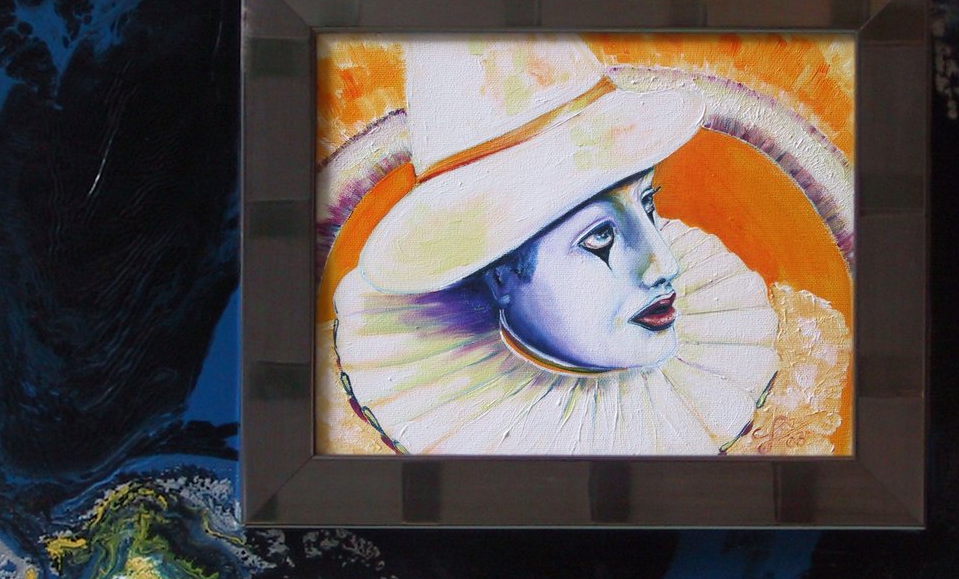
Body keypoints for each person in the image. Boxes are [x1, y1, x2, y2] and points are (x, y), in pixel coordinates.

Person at [326, 36, 848, 455]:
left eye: (648, 206)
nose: (664, 264)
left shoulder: (784, 373)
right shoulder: (371, 427)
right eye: (600, 238)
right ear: (499, 274)